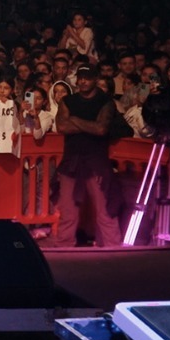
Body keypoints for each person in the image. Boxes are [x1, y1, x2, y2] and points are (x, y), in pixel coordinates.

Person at [47, 67, 123, 247]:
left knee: (105, 210)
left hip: (96, 162)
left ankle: (114, 248)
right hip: (71, 161)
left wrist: (74, 119)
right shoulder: (68, 100)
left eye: (87, 78)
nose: (82, 81)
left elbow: (101, 129)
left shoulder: (106, 102)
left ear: (96, 79)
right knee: (68, 211)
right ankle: (64, 248)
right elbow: (62, 127)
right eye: (80, 78)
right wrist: (89, 125)